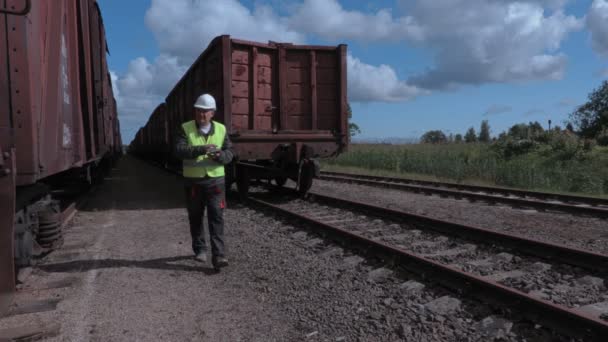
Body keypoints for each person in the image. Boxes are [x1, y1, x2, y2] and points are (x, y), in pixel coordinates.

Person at [174, 93, 234, 269]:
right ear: (195, 111)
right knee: (196, 216)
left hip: (216, 181)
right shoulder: (185, 129)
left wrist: (221, 156)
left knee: (216, 216)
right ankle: (200, 249)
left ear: (212, 113)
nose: (202, 114)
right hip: (194, 181)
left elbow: (230, 152)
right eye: (199, 111)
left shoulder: (222, 130)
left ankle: (219, 256)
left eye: (205, 111)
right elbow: (178, 150)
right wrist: (201, 149)